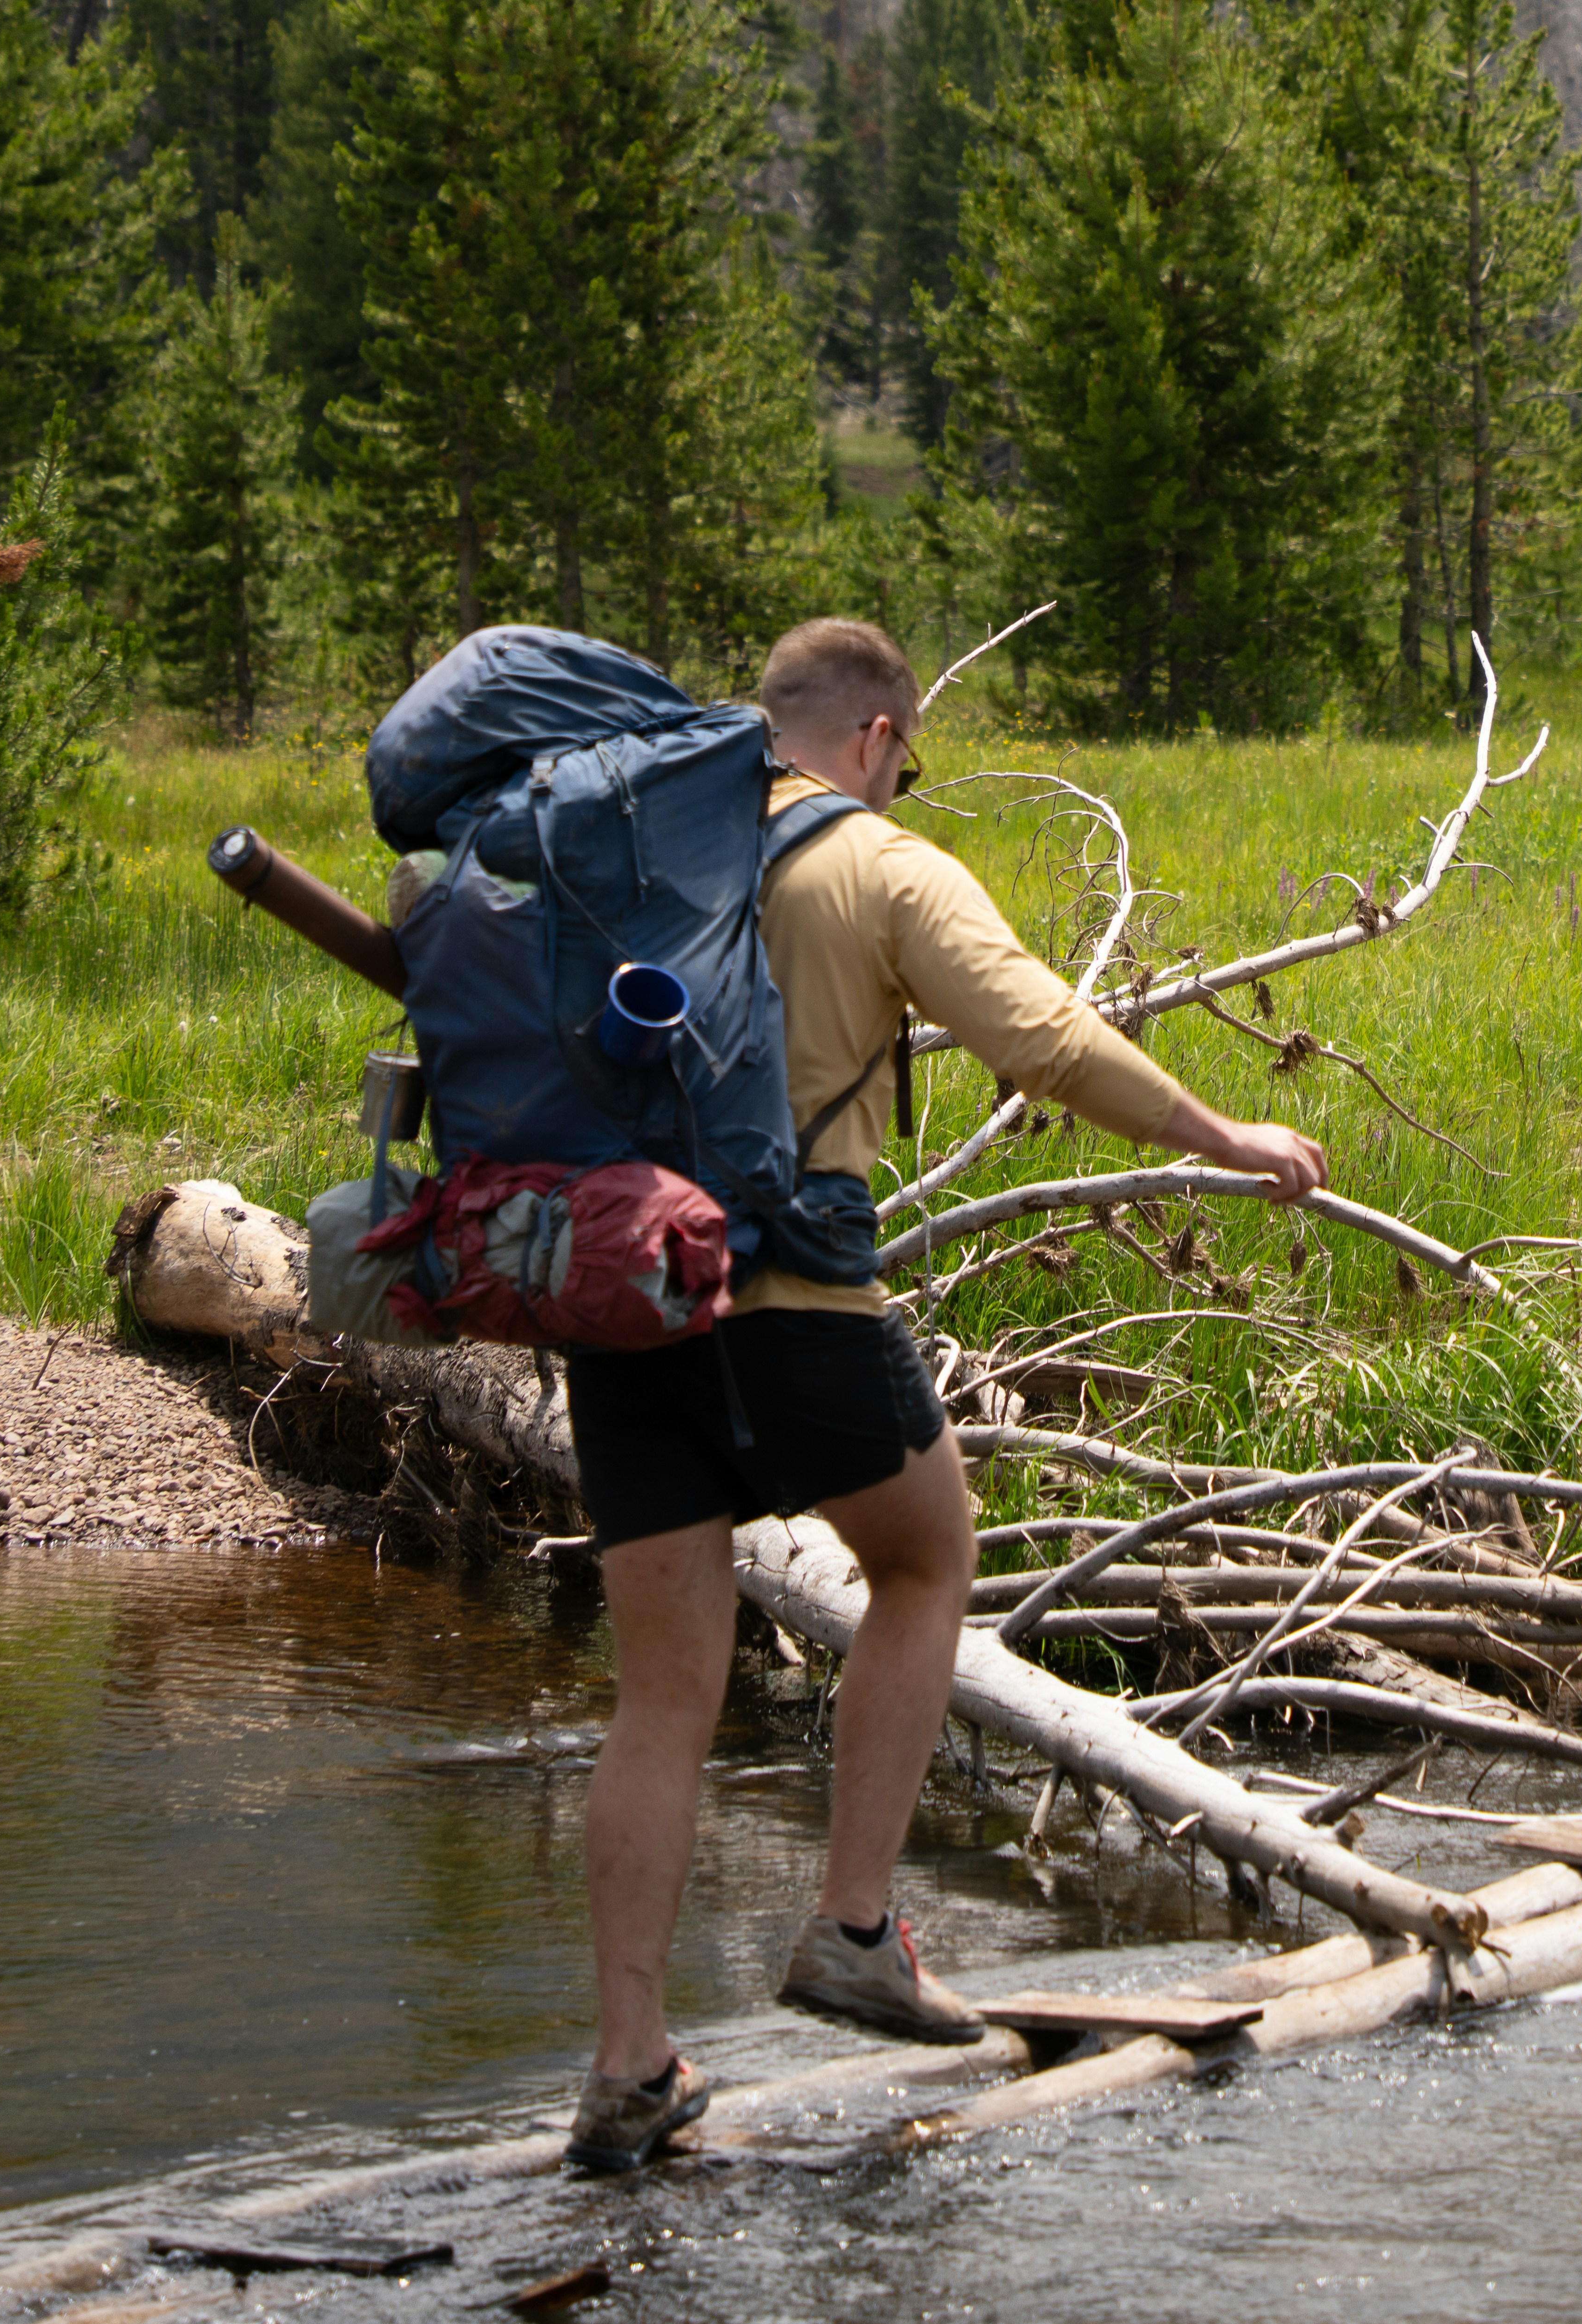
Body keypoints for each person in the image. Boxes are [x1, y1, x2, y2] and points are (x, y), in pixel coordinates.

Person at [561, 613, 1328, 2172]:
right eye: (907, 759)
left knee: (661, 1695)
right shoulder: (882, 867)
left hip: (624, 1303)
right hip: (789, 1297)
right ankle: (851, 1928)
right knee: (926, 1555)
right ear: (873, 737)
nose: (904, 783)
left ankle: (628, 2061)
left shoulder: (638, 856)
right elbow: (1041, 1038)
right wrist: (1223, 1137)